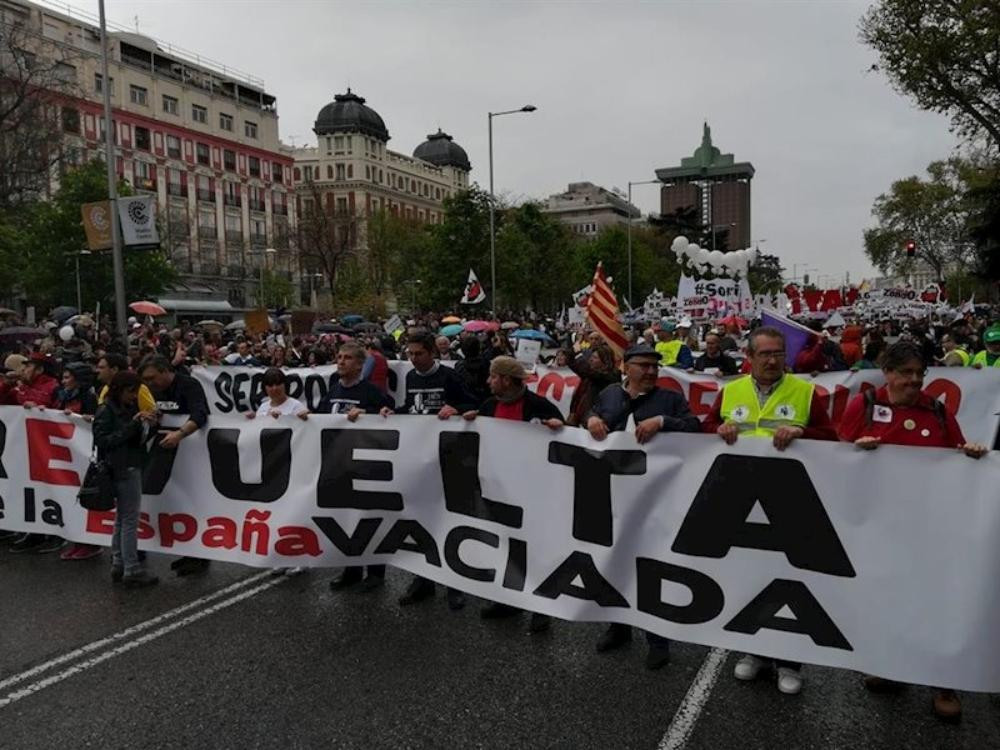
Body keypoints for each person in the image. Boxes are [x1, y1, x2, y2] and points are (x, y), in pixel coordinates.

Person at [838, 340, 987, 722]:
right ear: (887, 373)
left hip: (931, 529)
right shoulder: (865, 406)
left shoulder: (937, 410)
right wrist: (858, 451)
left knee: (935, 603)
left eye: (919, 374)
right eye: (905, 373)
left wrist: (971, 456)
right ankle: (892, 667)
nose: (914, 380)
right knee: (888, 598)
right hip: (881, 528)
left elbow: (957, 454)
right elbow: (836, 458)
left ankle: (943, 683)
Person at [702, 326, 837, 695]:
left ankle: (790, 661)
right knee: (747, 579)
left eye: (778, 353)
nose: (773, 360)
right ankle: (752, 651)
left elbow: (833, 439)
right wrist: (720, 427)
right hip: (740, 503)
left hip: (791, 501)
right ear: (749, 357)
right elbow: (706, 429)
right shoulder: (731, 391)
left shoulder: (806, 392)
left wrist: (801, 433)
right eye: (765, 354)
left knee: (790, 581)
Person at [586, 343, 701, 670]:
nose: (651, 372)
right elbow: (589, 414)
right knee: (613, 564)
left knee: (651, 570)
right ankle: (618, 628)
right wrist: (592, 418)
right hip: (610, 496)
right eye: (644, 366)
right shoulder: (609, 394)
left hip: (655, 500)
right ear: (626, 367)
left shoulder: (671, 400)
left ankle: (657, 639)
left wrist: (663, 421)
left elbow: (695, 429)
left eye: (655, 366)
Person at [462, 356, 564, 634]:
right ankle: (509, 601)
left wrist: (558, 428)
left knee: (535, 550)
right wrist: (468, 421)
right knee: (507, 548)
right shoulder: (488, 406)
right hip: (498, 491)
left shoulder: (539, 407)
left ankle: (541, 609)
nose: (488, 381)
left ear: (506, 380)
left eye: (493, 376)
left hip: (533, 494)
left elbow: (564, 443)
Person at [381, 333, 475, 610]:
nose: (413, 359)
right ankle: (423, 580)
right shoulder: (411, 378)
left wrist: (457, 408)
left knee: (447, 521)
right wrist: (392, 411)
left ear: (432, 352)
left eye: (419, 354)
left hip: (448, 459)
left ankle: (454, 584)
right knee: (419, 522)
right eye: (409, 354)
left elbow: (474, 404)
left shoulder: (449, 377)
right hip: (420, 459)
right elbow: (412, 409)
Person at [317, 343, 395, 592]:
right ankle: (351, 570)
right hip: (339, 466)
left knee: (369, 520)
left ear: (360, 365)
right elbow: (320, 419)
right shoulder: (332, 391)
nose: (341, 362)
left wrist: (368, 412)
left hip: (366, 467)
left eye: (347, 358)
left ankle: (375, 573)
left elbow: (389, 413)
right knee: (346, 521)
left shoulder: (370, 391)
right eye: (338, 357)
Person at [138, 354, 211, 577]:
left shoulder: (188, 385)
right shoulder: (153, 389)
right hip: (163, 451)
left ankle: (197, 556)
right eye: (146, 380)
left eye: (153, 378)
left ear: (165, 371)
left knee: (190, 501)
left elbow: (201, 414)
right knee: (167, 499)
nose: (150, 384)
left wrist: (179, 434)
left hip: (189, 451)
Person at [93, 371, 159, 588]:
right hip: (123, 467)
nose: (134, 397)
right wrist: (133, 425)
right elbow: (104, 441)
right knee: (129, 519)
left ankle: (119, 563)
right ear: (121, 390)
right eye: (132, 392)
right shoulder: (107, 410)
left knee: (122, 519)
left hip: (127, 464)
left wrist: (145, 423)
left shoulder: (124, 408)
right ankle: (131, 568)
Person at [56, 364, 103, 561]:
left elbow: (98, 420)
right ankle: (77, 540)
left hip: (84, 454)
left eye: (68, 377)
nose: (64, 381)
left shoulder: (89, 397)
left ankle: (90, 543)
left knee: (85, 496)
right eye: (63, 377)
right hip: (67, 454)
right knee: (69, 497)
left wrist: (89, 419)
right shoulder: (63, 396)